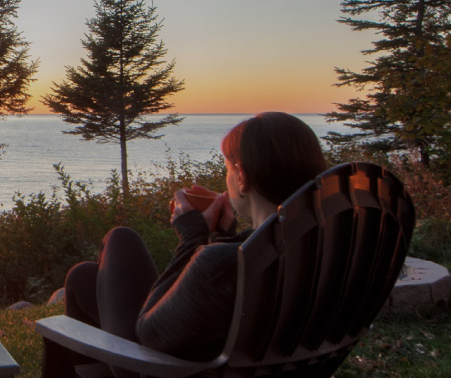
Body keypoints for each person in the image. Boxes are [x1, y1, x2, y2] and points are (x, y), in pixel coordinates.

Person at [62, 112, 329, 368]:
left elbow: (148, 333)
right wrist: (221, 236)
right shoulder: (318, 242)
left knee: (120, 238)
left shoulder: (224, 263)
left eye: (227, 169)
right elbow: (219, 297)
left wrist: (191, 237)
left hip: (164, 368)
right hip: (257, 360)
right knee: (84, 277)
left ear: (242, 177)